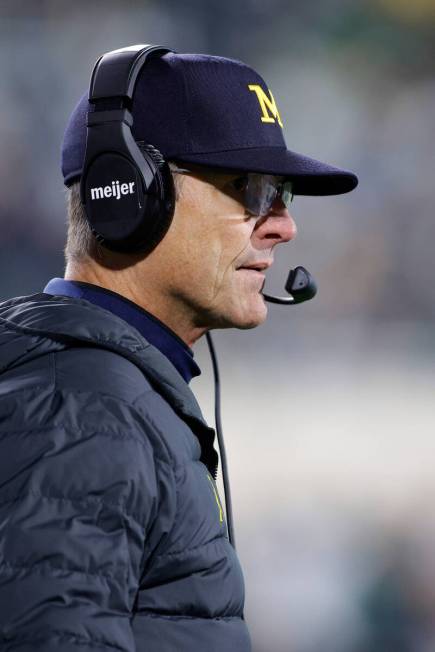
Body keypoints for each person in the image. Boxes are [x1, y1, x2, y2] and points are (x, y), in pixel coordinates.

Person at [0, 45, 357, 652]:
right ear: (128, 196)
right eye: (250, 188)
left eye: (283, 194)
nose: (283, 225)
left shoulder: (103, 395)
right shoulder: (84, 412)